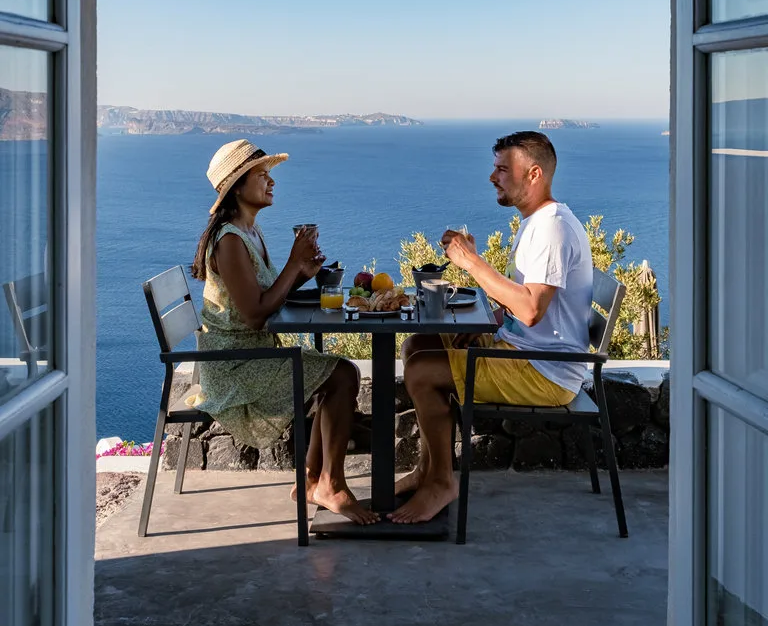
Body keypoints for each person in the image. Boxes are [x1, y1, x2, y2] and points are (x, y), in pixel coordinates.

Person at [392, 131, 592, 524]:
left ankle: (441, 482)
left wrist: (470, 264)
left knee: (421, 370)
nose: (492, 177)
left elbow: (532, 310)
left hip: (545, 371)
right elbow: (529, 306)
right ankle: (426, 470)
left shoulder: (551, 229)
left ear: (533, 174)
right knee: (419, 344)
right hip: (527, 350)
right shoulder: (538, 222)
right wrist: (494, 315)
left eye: (503, 169)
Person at [189, 138, 378, 525]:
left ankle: (311, 479)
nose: (271, 182)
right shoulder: (229, 241)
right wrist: (293, 265)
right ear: (237, 186)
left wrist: (301, 274)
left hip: (250, 352)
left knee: (343, 374)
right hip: (235, 367)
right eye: (262, 175)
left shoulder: (249, 233)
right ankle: (330, 484)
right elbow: (256, 314)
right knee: (341, 375)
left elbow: (265, 298)